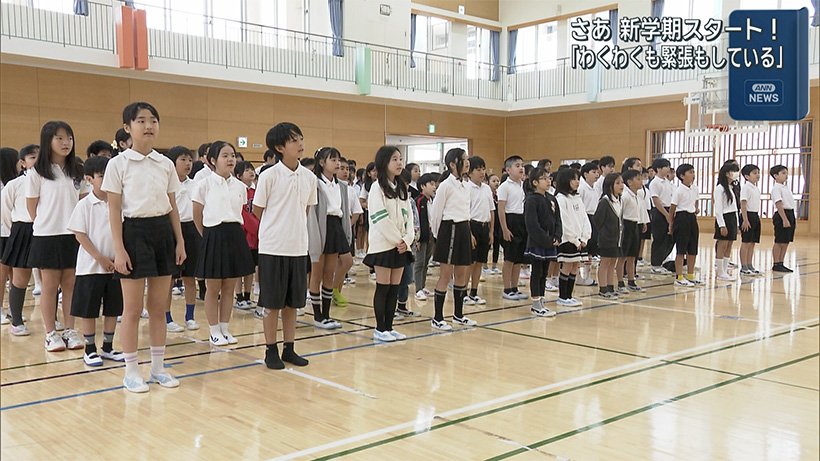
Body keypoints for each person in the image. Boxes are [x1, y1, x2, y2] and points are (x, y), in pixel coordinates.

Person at [103, 102, 185, 392]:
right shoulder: (117, 164)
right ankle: (131, 371)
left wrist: (180, 241)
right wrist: (119, 248)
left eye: (153, 120)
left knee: (159, 307)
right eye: (141, 121)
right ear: (128, 127)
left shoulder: (165, 164)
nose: (148, 125)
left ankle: (159, 368)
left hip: (163, 232)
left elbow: (173, 206)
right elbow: (113, 210)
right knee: (133, 308)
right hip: (133, 233)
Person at [253, 122, 316, 369]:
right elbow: (257, 210)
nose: (300, 144)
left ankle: (289, 348)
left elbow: (307, 209)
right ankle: (271, 350)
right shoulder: (268, 176)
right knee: (272, 304)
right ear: (280, 147)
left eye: (301, 138)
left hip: (298, 248)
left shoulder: (309, 177)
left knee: (292, 304)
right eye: (293, 140)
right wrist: (276, 228)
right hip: (272, 248)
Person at [27, 121, 88, 352]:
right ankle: (51, 333)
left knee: (71, 285)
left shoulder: (77, 171)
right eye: (59, 138)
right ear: (48, 141)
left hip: (72, 235)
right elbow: (32, 207)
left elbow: (83, 203)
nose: (66, 143)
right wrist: (45, 224)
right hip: (47, 236)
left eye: (69, 138)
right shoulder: (37, 173)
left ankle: (70, 330)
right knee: (50, 286)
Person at [193, 141, 255, 346]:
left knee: (229, 287)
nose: (230, 159)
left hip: (235, 234)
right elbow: (197, 215)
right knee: (213, 288)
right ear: (213, 160)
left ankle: (225, 328)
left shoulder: (240, 186)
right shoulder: (203, 184)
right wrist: (208, 237)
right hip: (213, 233)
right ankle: (213, 330)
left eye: (233, 155)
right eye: (225, 155)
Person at [66, 155, 126, 366]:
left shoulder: (120, 203)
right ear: (89, 179)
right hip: (91, 267)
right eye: (102, 176)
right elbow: (79, 235)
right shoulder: (85, 205)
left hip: (115, 267)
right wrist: (100, 258)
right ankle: (90, 349)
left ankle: (108, 347)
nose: (108, 180)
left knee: (113, 308)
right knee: (89, 310)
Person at [362, 146, 414, 341]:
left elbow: (408, 216)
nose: (399, 163)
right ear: (384, 163)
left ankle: (389, 327)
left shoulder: (402, 188)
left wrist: (407, 240)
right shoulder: (377, 188)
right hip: (384, 245)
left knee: (394, 287)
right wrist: (397, 240)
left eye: (400, 159)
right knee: (383, 287)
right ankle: (379, 328)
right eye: (394, 159)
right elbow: (380, 218)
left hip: (401, 246)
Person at [429, 148, 475, 330]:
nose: (468, 162)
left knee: (462, 275)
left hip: (464, 228)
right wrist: (439, 237)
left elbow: (466, 212)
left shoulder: (467, 185)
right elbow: (436, 214)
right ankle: (438, 317)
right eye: (464, 159)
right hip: (449, 230)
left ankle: (458, 315)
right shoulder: (446, 186)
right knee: (446, 275)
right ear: (453, 164)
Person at [307, 147, 351, 330]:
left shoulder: (341, 186)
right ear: (322, 162)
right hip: (319, 226)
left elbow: (345, 212)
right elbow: (312, 213)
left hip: (335, 226)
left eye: (338, 159)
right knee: (316, 272)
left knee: (329, 273)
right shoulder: (315, 184)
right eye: (333, 160)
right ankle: (317, 316)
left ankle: (327, 315)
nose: (337, 163)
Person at [1, 145, 38, 333]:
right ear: (22, 163)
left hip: (44, 230)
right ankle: (16, 320)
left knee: (50, 278)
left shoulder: (48, 182)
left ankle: (53, 319)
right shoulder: (14, 185)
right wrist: (15, 231)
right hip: (22, 230)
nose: (37, 161)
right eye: (32, 157)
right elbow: (5, 212)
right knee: (20, 278)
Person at [165, 145, 200, 331]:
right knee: (170, 279)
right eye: (183, 160)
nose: (188, 164)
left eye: (189, 160)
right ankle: (167, 318)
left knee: (190, 277)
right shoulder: (167, 185)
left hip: (191, 230)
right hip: (171, 231)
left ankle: (190, 316)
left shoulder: (195, 185)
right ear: (173, 162)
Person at [523, 167, 559, 317]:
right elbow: (532, 225)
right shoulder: (531, 200)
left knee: (545, 273)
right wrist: (546, 240)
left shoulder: (551, 198)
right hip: (538, 242)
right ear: (535, 182)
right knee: (537, 272)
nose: (548, 181)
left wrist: (557, 236)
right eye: (544, 178)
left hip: (550, 242)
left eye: (549, 178)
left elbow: (558, 220)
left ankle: (542, 302)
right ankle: (536, 303)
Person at [554, 168, 590, 307]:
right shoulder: (561, 199)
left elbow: (584, 218)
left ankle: (569, 296)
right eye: (573, 179)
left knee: (575, 266)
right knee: (568, 266)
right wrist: (575, 239)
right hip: (568, 239)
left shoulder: (577, 198)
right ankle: (562, 296)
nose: (577, 182)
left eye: (578, 179)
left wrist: (585, 238)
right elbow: (564, 221)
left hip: (580, 240)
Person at [330, 157, 361, 307]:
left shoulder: (350, 190)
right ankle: (327, 291)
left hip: (345, 229)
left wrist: (348, 226)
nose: (344, 171)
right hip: (332, 228)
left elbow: (356, 211)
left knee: (345, 262)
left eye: (347, 169)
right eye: (341, 168)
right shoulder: (330, 187)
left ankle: (336, 291)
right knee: (333, 264)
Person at [497, 155, 528, 300]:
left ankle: (515, 288)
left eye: (522, 165)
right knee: (509, 258)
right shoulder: (504, 187)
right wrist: (504, 229)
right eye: (517, 165)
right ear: (508, 170)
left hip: (522, 221)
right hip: (510, 220)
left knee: (518, 259)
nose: (521, 168)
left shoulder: (524, 186)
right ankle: (507, 288)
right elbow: (501, 209)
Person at [668, 163, 702, 287]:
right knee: (681, 249)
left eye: (693, 172)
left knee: (692, 249)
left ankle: (691, 275)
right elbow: (672, 209)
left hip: (692, 218)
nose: (693, 175)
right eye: (690, 172)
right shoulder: (678, 191)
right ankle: (679, 277)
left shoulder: (695, 188)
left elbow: (696, 202)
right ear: (682, 176)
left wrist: (695, 209)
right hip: (681, 218)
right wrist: (670, 224)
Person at [465, 155, 494, 306]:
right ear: (470, 172)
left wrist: (491, 232)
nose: (482, 172)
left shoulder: (487, 188)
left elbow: (492, 211)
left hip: (485, 226)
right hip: (472, 225)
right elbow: (465, 213)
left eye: (483, 169)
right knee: (469, 262)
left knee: (480, 263)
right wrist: (469, 234)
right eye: (478, 169)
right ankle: (463, 292)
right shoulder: (466, 188)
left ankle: (474, 292)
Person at [616, 169, 649, 293]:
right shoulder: (625, 196)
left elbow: (640, 210)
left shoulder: (638, 195)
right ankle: (620, 282)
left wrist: (642, 221)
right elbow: (620, 213)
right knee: (622, 256)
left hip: (635, 225)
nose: (642, 181)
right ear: (629, 182)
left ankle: (631, 281)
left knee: (632, 256)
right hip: (625, 226)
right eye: (638, 179)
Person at [593, 173, 625, 298]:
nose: (621, 185)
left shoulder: (619, 200)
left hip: (617, 238)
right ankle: (603, 288)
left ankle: (611, 287)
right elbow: (597, 220)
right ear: (610, 186)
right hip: (606, 238)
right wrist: (605, 233)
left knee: (613, 262)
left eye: (622, 182)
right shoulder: (605, 202)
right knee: (605, 262)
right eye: (617, 183)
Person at [395, 168, 420, 318]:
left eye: (407, 184)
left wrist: (413, 239)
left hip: (408, 244)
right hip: (395, 244)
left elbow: (414, 222)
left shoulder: (410, 201)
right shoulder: (390, 199)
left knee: (406, 277)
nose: (405, 187)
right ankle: (391, 308)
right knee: (394, 280)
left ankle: (402, 305)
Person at [234, 160, 259, 310]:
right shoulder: (239, 191)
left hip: (255, 236)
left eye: (252, 169)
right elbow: (243, 213)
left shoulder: (256, 192)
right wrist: (255, 226)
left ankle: (248, 295)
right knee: (240, 268)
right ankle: (239, 296)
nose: (251, 172)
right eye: (247, 170)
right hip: (243, 234)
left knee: (251, 267)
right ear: (238, 175)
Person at [713, 162, 740, 281]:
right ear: (727, 174)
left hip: (732, 218)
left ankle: (725, 270)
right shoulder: (720, 188)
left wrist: (737, 223)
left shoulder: (731, 187)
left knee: (729, 245)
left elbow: (735, 207)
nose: (736, 174)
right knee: (722, 244)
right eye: (734, 171)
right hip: (724, 217)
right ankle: (720, 272)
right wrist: (722, 225)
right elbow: (718, 209)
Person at [649, 158, 675, 274]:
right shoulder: (655, 183)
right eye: (666, 167)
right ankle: (655, 264)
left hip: (669, 210)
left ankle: (663, 259)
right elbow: (656, 200)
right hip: (659, 211)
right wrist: (666, 214)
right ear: (659, 169)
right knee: (659, 237)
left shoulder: (667, 182)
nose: (668, 169)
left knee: (669, 238)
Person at [413, 173, 436, 301]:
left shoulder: (431, 201)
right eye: (431, 184)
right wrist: (417, 239)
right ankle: (417, 289)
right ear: (422, 186)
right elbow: (417, 221)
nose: (434, 187)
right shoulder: (419, 201)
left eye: (434, 184)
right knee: (420, 263)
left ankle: (423, 286)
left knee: (426, 262)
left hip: (430, 235)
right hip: (421, 237)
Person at [578, 162, 601, 286]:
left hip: (594, 218)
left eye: (597, 172)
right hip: (584, 218)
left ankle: (587, 276)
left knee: (591, 250)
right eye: (594, 172)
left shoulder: (595, 188)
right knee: (582, 250)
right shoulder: (581, 188)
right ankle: (578, 276)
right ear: (586, 174)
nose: (597, 175)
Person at [770, 165, 795, 272]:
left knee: (786, 241)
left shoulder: (786, 188)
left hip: (790, 213)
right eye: (783, 173)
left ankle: (781, 262)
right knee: (779, 241)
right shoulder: (776, 188)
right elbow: (779, 204)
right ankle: (776, 263)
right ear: (776, 176)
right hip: (782, 214)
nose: (786, 175)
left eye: (786, 173)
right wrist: (784, 219)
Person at [739, 164, 762, 276]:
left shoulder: (756, 188)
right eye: (754, 173)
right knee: (746, 242)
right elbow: (743, 203)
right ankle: (743, 266)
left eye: (758, 172)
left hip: (755, 215)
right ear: (747, 176)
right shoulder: (746, 188)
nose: (757, 175)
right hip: (747, 215)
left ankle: (749, 265)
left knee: (752, 242)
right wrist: (745, 219)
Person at [486, 173, 503, 275]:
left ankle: (494, 265)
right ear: (488, 183)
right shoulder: (487, 195)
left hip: (498, 223)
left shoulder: (499, 196)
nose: (496, 183)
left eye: (497, 181)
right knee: (487, 245)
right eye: (494, 181)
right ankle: (484, 265)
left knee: (497, 243)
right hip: (489, 222)